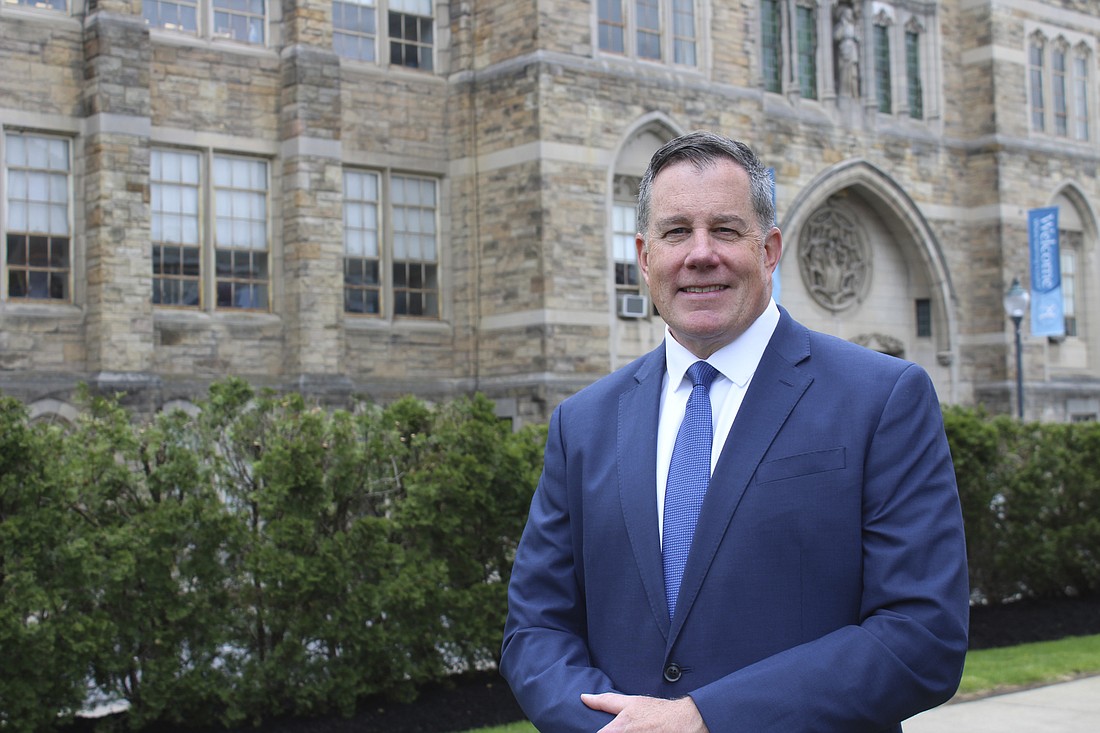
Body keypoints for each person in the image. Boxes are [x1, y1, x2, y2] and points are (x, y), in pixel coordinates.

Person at [500, 130, 969, 732]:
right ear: (644, 257)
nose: (700, 254)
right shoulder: (584, 423)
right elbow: (536, 628)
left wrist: (705, 719)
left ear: (770, 249)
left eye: (725, 230)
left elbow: (920, 637)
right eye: (675, 233)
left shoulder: (881, 400)